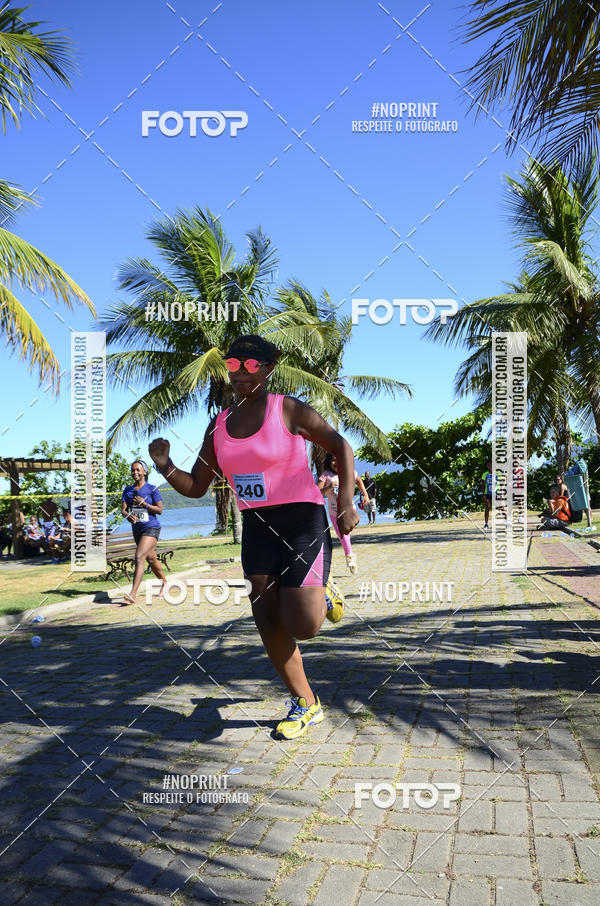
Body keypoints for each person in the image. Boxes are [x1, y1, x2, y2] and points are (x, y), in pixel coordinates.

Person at [148, 334, 357, 741]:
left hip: (302, 521)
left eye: (250, 364)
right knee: (266, 618)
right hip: (257, 528)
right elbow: (196, 486)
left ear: (268, 368)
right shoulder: (219, 425)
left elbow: (341, 446)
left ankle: (324, 594)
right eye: (233, 364)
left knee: (305, 625)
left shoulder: (288, 409)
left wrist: (345, 502)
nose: (241, 372)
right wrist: (166, 466)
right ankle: (306, 703)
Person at [120, 460, 167, 604]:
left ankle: (132, 594)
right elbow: (123, 510)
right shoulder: (127, 491)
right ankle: (165, 582)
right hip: (137, 530)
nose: (135, 472)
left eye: (138, 470)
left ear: (144, 472)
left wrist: (145, 504)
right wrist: (127, 516)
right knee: (151, 559)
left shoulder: (152, 489)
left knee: (139, 556)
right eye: (133, 470)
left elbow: (160, 510)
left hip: (152, 527)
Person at [318, 454, 369, 573]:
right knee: (343, 535)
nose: (336, 463)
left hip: (350, 509)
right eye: (333, 460)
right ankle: (350, 557)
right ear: (329, 462)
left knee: (347, 532)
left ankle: (349, 554)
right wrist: (329, 487)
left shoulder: (349, 471)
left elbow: (359, 481)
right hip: (335, 512)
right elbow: (317, 492)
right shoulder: (326, 475)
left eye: (338, 460)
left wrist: (365, 495)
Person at [482, 459, 494, 530]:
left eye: (492, 465)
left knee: (502, 507)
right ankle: (486, 524)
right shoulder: (484, 474)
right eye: (489, 465)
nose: (490, 466)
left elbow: (503, 481)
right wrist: (483, 495)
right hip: (488, 493)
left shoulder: (497, 473)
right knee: (487, 508)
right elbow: (483, 485)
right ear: (487, 466)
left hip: (496, 493)